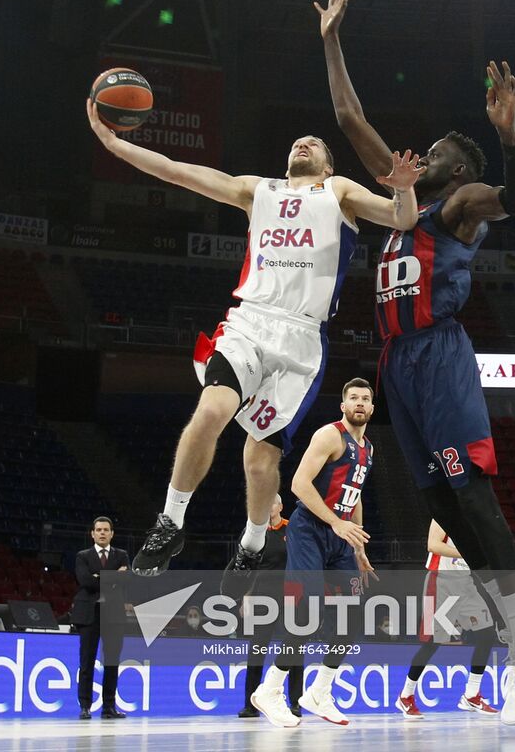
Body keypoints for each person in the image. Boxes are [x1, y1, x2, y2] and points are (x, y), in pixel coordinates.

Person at [315, 0, 515, 727]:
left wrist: (507, 134)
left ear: (454, 172)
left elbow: (514, 199)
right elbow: (349, 117)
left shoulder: (455, 206)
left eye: (437, 153)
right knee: (444, 507)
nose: (420, 153)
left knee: (473, 498)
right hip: (395, 364)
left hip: (439, 356)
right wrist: (329, 38)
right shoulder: (402, 202)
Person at [87, 99, 420, 580]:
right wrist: (115, 144)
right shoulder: (256, 190)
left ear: (328, 165)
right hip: (249, 323)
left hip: (303, 339)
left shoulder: (338, 191)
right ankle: (171, 521)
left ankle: (252, 543)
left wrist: (405, 190)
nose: (302, 143)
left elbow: (402, 219)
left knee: (259, 459)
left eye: (315, 144)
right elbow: (181, 172)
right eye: (296, 142)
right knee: (211, 411)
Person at [252, 378, 375, 728]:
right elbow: (298, 485)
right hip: (310, 530)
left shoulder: (368, 448)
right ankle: (270, 690)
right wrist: (336, 522)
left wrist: (359, 547)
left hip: (341, 536)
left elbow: (356, 494)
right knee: (308, 611)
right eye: (353, 398)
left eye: (366, 399)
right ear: (343, 405)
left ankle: (320, 691)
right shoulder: (328, 435)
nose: (360, 403)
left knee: (352, 618)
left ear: (372, 407)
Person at [396, 519, 498, 719]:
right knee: (432, 643)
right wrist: (467, 553)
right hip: (441, 581)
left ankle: (471, 694)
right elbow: (433, 545)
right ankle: (405, 695)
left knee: (486, 634)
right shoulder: (441, 514)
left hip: (466, 582)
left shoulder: (473, 518)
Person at [238, 494, 304, 719]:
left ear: (281, 506)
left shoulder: (292, 529)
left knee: (294, 648)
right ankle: (250, 705)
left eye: (273, 502)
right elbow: (247, 568)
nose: (269, 506)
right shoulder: (254, 532)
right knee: (257, 649)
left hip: (291, 594)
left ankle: (296, 702)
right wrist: (245, 596)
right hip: (262, 597)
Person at [71, 517, 130, 720]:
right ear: (92, 534)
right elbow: (85, 581)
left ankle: (108, 707)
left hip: (113, 616)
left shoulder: (122, 555)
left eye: (106, 529)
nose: (102, 533)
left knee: (112, 663)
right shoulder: (82, 556)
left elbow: (124, 582)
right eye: (98, 530)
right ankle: (85, 706)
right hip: (89, 615)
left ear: (112, 533)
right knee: (86, 663)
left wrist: (100, 577)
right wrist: (112, 576)